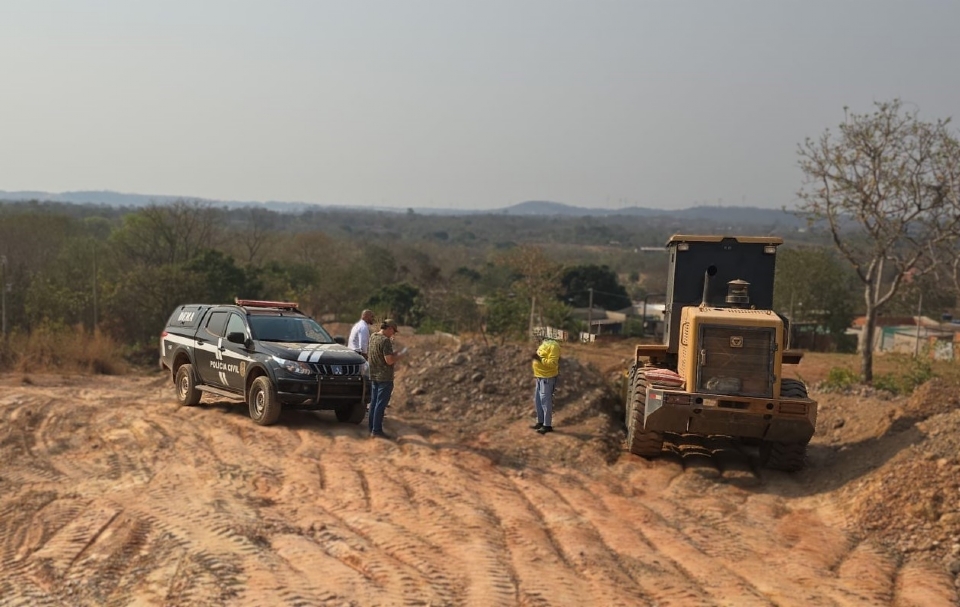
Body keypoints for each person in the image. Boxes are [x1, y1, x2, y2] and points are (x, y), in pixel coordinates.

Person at [367, 319, 404, 439]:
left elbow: (378, 354)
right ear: (389, 329)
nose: (393, 334)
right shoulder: (385, 341)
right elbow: (389, 361)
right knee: (380, 404)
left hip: (374, 374)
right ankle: (376, 430)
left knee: (373, 402)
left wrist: (394, 353)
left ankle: (371, 427)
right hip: (384, 377)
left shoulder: (373, 336)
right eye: (393, 331)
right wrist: (400, 356)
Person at [530, 334, 561, 434]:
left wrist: (539, 359)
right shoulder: (544, 344)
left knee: (545, 402)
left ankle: (547, 425)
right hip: (539, 377)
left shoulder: (554, 346)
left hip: (547, 378)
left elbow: (552, 363)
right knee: (538, 401)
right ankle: (540, 422)